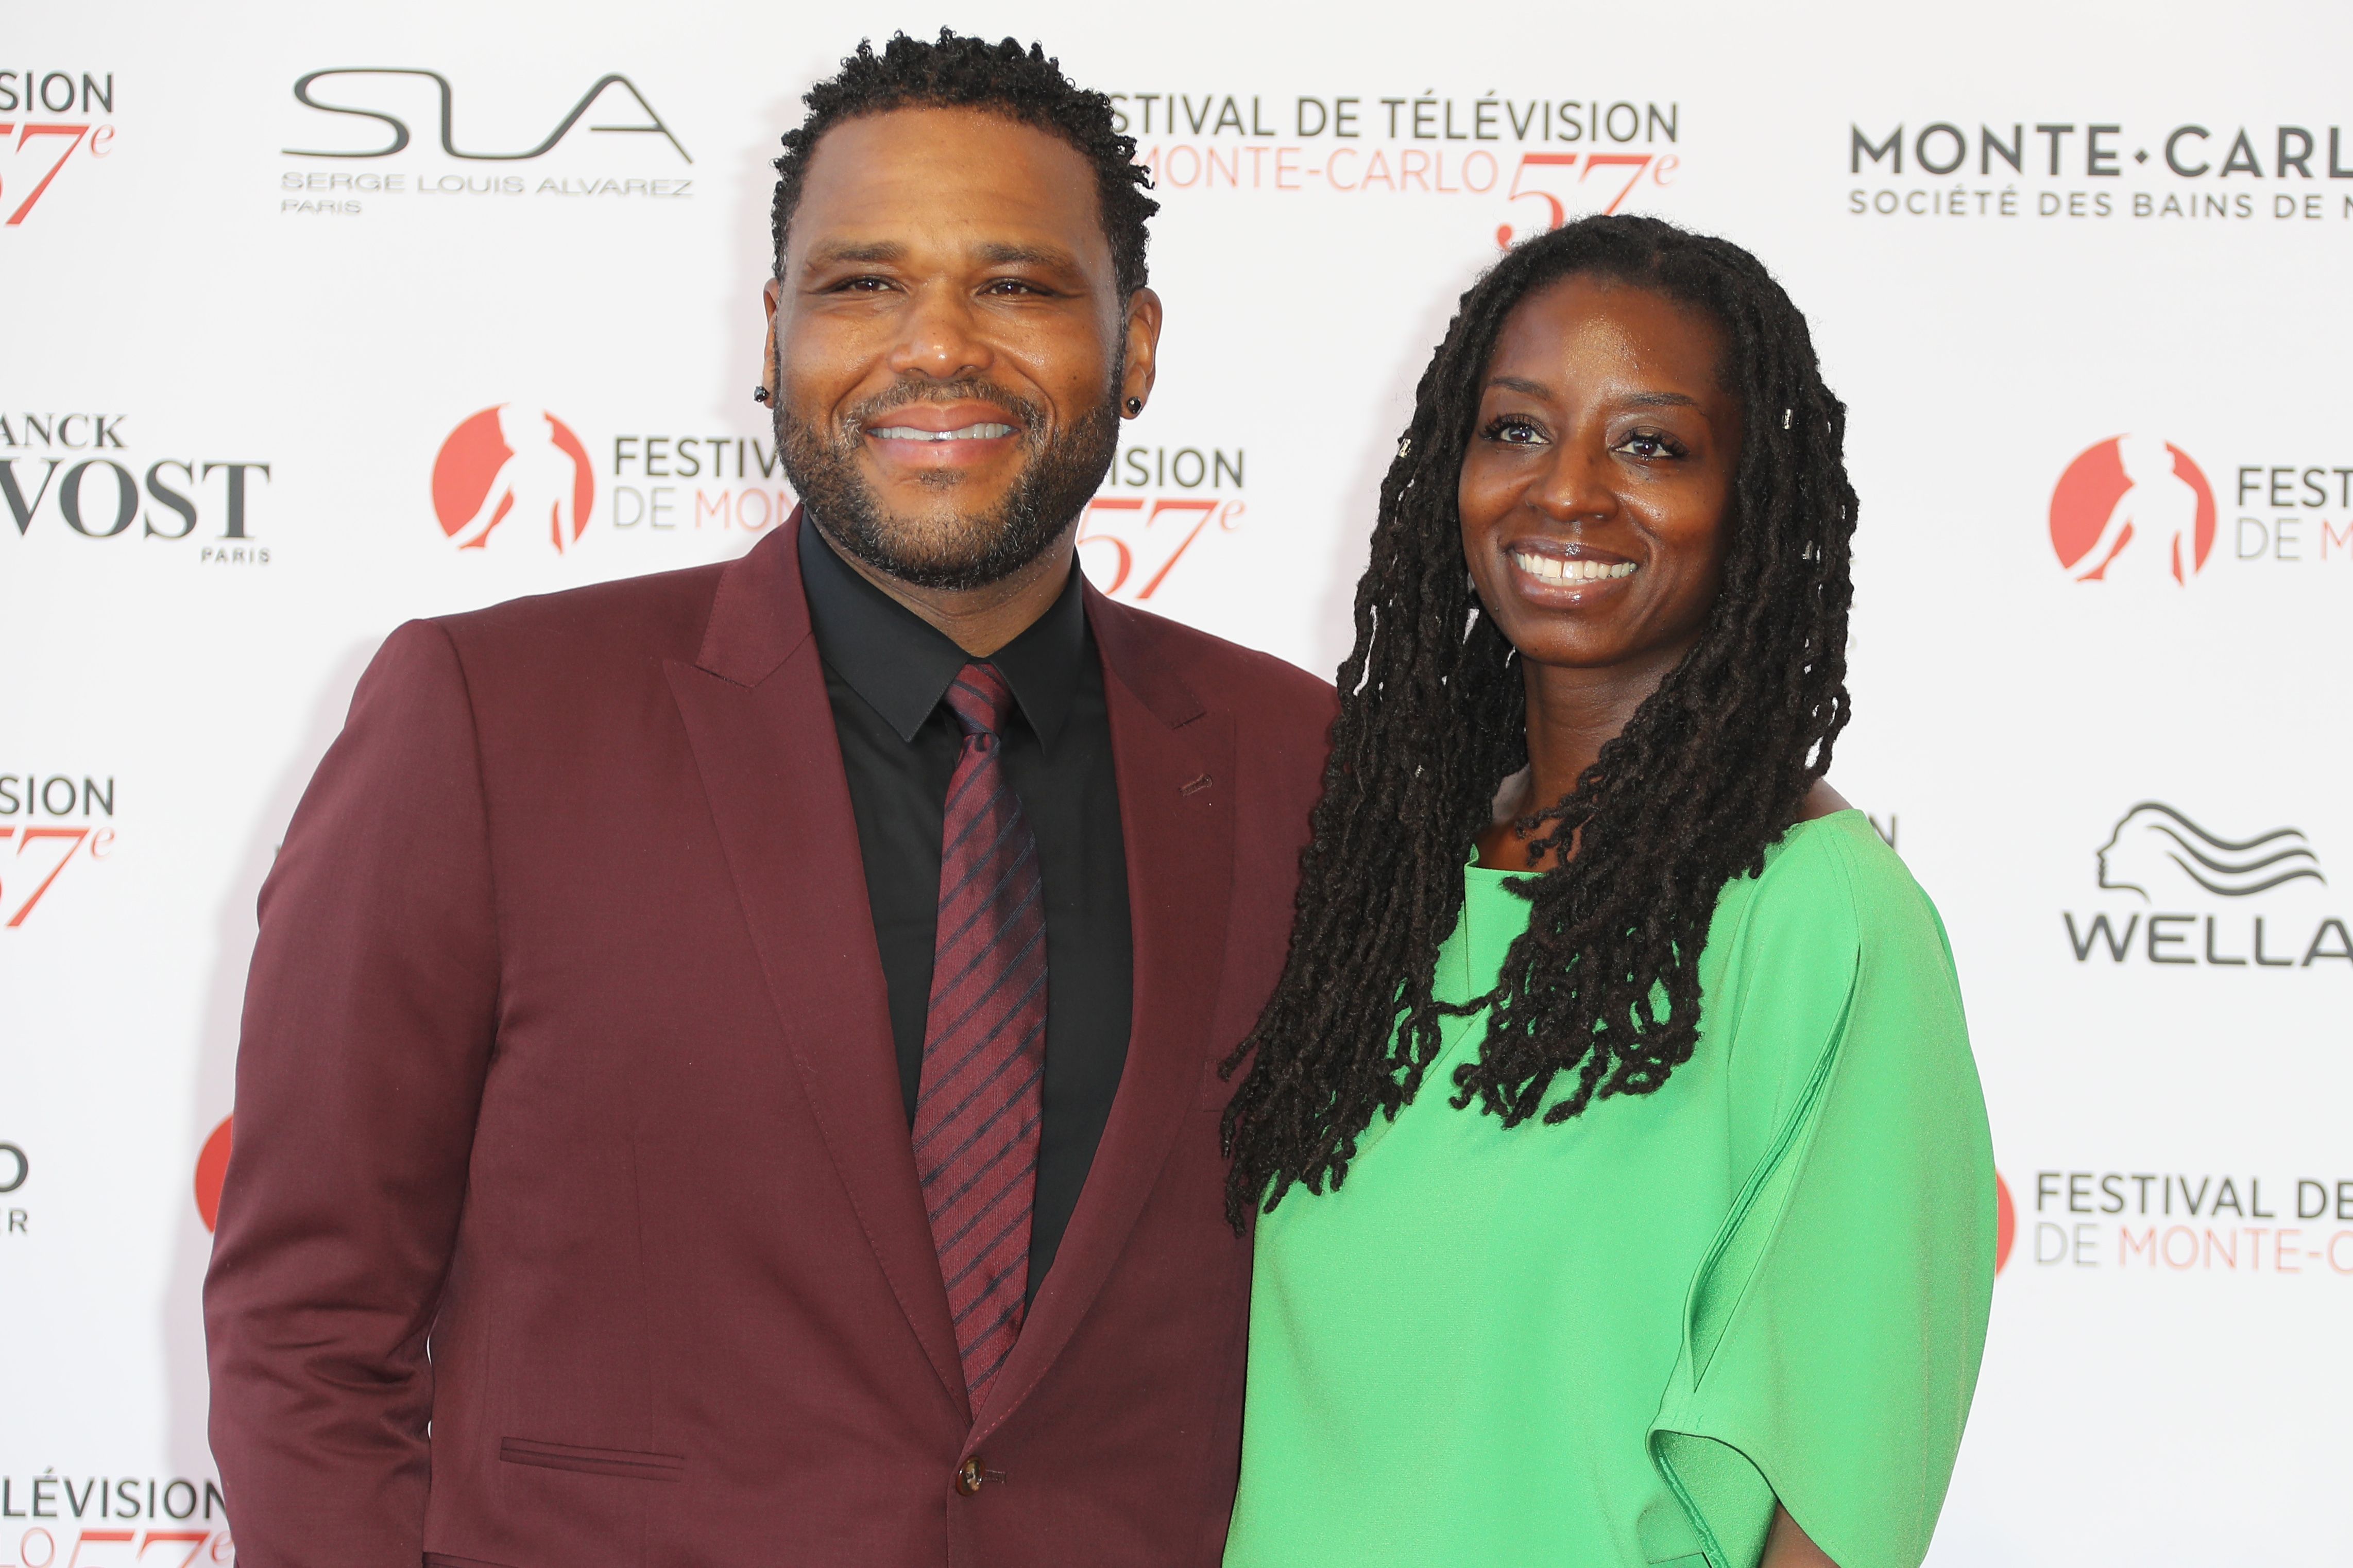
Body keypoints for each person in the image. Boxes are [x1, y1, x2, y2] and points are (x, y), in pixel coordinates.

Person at [204, 31, 1333, 1568]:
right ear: (771, 334)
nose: (937, 347)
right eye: (864, 283)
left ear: (1134, 344)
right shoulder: (487, 719)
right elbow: (309, 1322)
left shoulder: (1299, 761)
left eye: (1016, 285)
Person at [1218, 215, 1995, 1568]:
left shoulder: (1822, 916)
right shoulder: (1381, 891)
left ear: (1752, 498)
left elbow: (1849, 1485)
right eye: (1517, 430)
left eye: (1651, 445)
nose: (1565, 493)